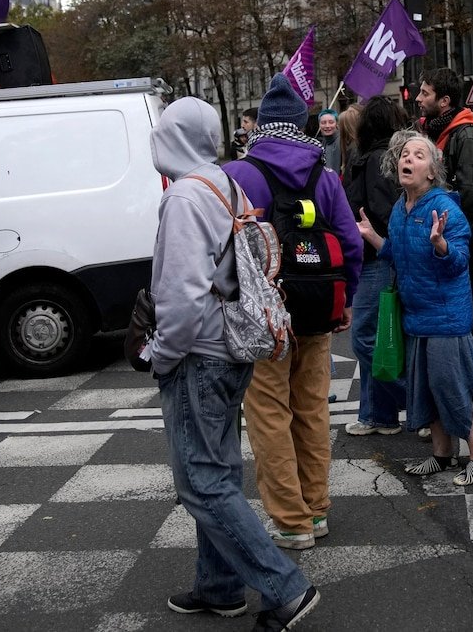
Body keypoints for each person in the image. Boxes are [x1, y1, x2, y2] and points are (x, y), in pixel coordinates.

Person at [143, 96, 320, 629]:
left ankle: (286, 589)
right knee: (217, 471)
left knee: (201, 481)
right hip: (235, 347)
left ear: (172, 138)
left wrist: (161, 356)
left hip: (199, 354)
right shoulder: (225, 183)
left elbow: (179, 295)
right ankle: (219, 587)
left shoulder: (184, 199)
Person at [224, 74, 363, 551]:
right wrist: (344, 299)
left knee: (268, 412)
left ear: (261, 125)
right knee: (311, 408)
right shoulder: (323, 174)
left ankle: (290, 521)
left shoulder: (238, 175)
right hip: (318, 308)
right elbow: (348, 242)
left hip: (263, 317)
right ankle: (317, 508)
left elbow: (221, 248)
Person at [355, 130, 473, 486]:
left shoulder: (445, 208)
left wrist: (440, 245)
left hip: (446, 316)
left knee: (450, 385)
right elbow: (398, 254)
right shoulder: (399, 209)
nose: (408, 159)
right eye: (405, 154)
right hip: (415, 313)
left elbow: (460, 261)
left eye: (419, 155)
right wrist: (373, 237)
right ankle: (442, 453)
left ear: (432, 171)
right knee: (425, 387)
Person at [417, 67, 473, 410]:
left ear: (444, 101)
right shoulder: (437, 130)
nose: (420, 99)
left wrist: (445, 225)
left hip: (459, 235)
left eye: (425, 93)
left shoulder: (464, 134)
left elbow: (471, 193)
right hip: (445, 233)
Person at [344, 95, 408, 437]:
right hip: (377, 254)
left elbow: (382, 211)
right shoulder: (382, 156)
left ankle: (417, 400)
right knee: (380, 336)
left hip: (377, 255)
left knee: (366, 337)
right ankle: (377, 414)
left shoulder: (375, 159)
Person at [318, 108, 342, 175]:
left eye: (331, 122)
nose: (327, 126)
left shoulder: (341, 142)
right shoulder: (322, 143)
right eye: (323, 123)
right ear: (319, 125)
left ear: (337, 124)